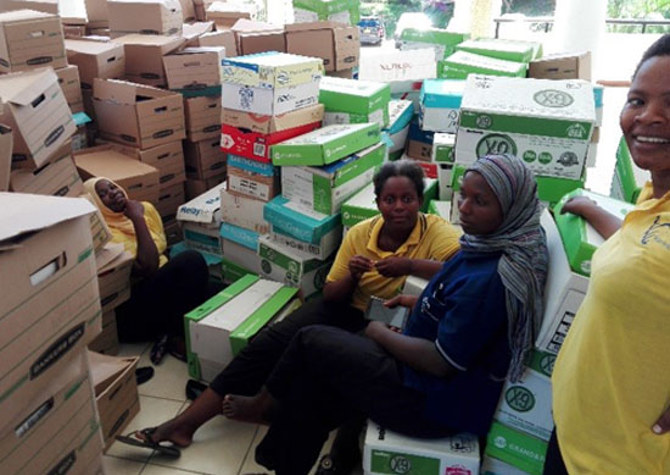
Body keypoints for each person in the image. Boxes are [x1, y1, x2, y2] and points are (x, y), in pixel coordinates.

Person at [220, 154, 549, 475]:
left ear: (511, 209)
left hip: (430, 402)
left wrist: (377, 332)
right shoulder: (483, 246)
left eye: (480, 201)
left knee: (311, 340)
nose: (463, 207)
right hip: (417, 373)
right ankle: (281, 460)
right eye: (464, 195)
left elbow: (441, 362)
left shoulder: (492, 276)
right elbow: (452, 300)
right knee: (313, 385)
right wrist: (415, 304)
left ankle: (267, 405)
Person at [121, 160, 462, 468]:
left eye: (408, 199)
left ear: (420, 201)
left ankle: (273, 411)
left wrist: (410, 265)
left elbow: (463, 271)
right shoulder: (361, 233)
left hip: (392, 322)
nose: (399, 207)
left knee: (320, 375)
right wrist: (353, 275)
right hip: (349, 307)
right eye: (390, 200)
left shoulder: (436, 231)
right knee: (269, 343)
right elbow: (331, 293)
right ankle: (185, 424)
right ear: (377, 203)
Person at [548, 34, 670, 474]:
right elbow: (646, 253)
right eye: (637, 100)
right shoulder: (656, 192)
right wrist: (594, 211)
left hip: (624, 459)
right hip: (575, 429)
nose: (649, 117)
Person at [84, 177, 214, 363]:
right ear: (97, 205)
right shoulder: (105, 236)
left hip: (158, 291)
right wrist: (137, 218)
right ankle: (176, 335)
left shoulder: (146, 209)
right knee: (191, 260)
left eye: (112, 187)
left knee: (216, 289)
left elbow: (161, 247)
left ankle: (177, 329)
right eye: (103, 194)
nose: (112, 192)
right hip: (132, 309)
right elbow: (147, 267)